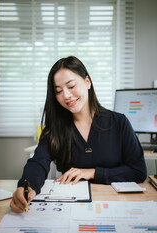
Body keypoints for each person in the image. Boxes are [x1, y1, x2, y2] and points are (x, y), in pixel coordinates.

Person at [10, 56, 147, 213]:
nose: (66, 96)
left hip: (117, 205)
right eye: (59, 91)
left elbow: (138, 171)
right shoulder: (54, 129)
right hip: (73, 207)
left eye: (71, 86)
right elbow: (38, 163)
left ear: (87, 82)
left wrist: (91, 172)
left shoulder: (119, 122)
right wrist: (27, 186)